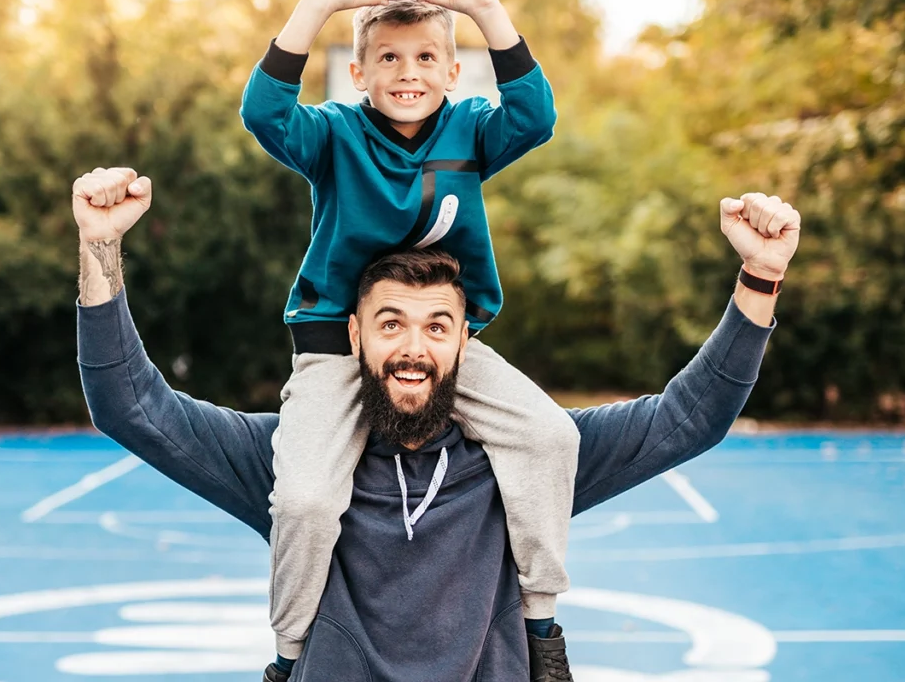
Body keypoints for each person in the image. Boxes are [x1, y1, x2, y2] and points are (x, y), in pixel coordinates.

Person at [74, 166, 800, 682]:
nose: (413, 347)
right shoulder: (296, 455)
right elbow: (131, 407)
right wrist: (100, 248)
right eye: (391, 323)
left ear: (464, 342)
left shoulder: (521, 462)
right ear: (355, 335)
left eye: (436, 326)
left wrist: (760, 277)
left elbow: (689, 418)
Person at [238, 0, 582, 678]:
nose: (408, 71)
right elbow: (263, 115)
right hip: (336, 347)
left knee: (552, 437)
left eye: (426, 57)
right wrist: (318, 1)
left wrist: (486, 6)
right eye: (388, 57)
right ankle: (289, 657)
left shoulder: (468, 129)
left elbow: (537, 118)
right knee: (301, 499)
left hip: (441, 346)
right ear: (356, 70)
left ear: (454, 70)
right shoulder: (333, 135)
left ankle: (542, 628)